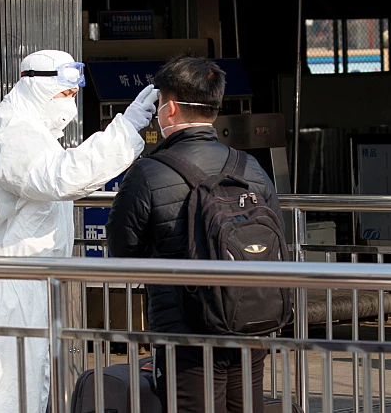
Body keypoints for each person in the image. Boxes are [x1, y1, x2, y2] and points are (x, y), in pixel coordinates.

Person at [0, 49, 158, 413]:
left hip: (28, 284)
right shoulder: (13, 132)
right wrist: (125, 130)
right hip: (12, 287)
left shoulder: (31, 130)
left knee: (31, 393)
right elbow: (62, 176)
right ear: (36, 87)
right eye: (64, 95)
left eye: (74, 96)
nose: (70, 105)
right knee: (12, 399)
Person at [106, 55, 284, 412]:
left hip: (185, 332)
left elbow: (122, 251)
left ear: (169, 109)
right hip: (249, 323)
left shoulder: (147, 172)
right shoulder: (250, 167)